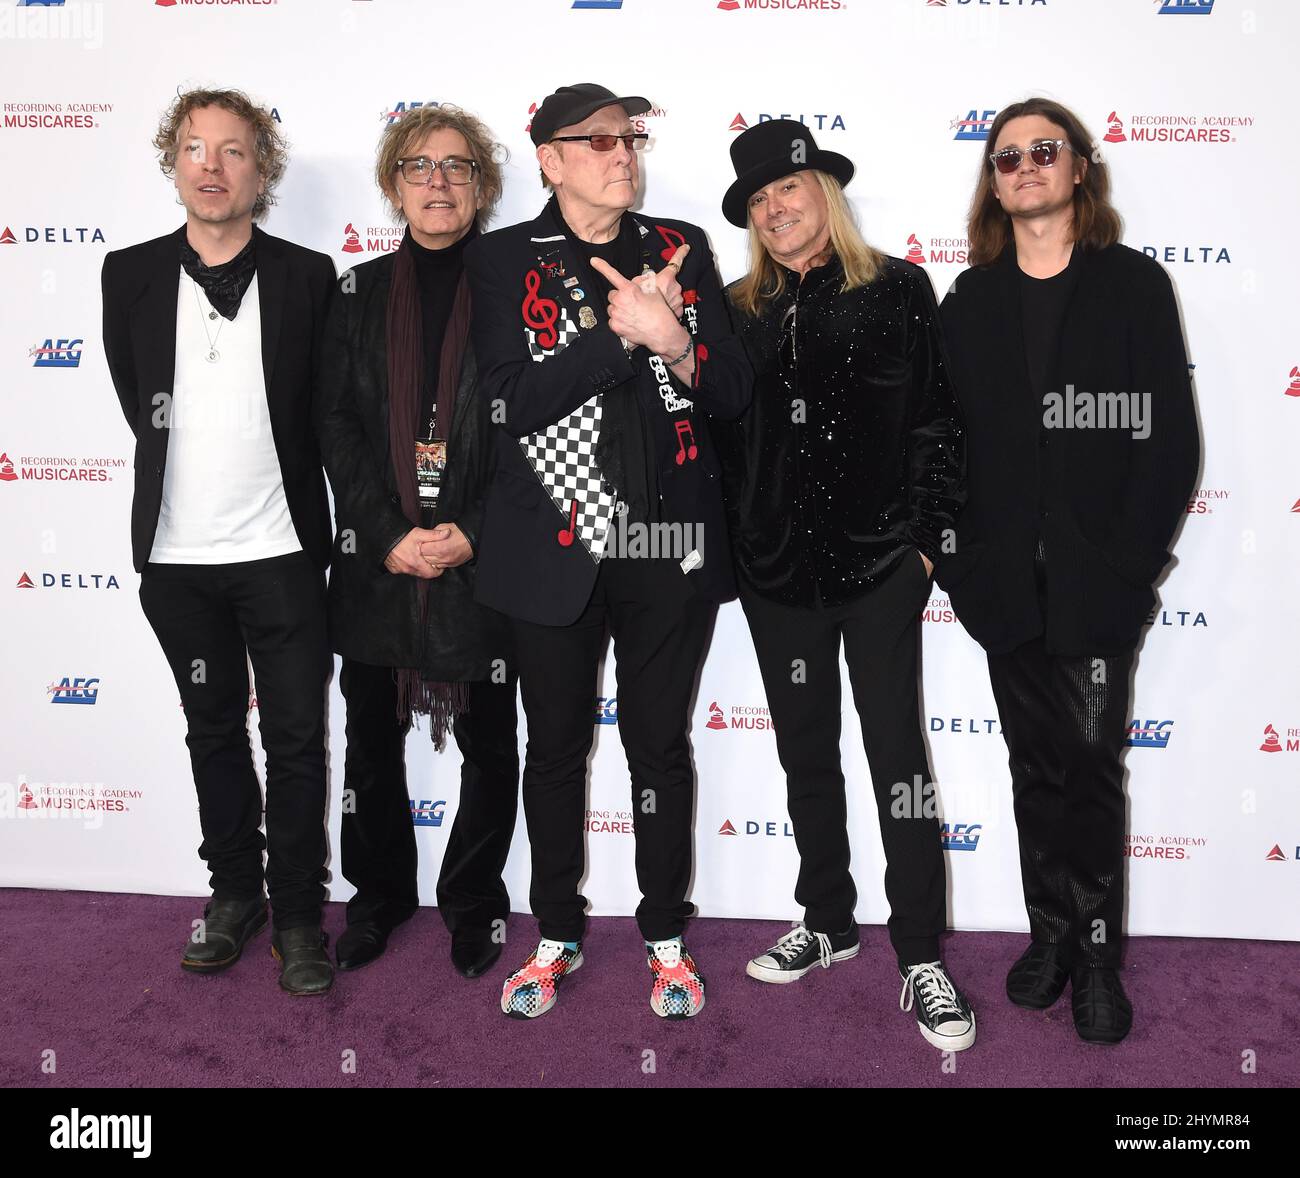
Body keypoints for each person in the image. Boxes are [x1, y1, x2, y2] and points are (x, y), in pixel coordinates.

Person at [465, 83, 752, 1020]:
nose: (621, 153)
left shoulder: (682, 248)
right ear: (547, 158)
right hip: (552, 545)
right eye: (596, 141)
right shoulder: (505, 258)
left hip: (664, 547)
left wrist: (674, 341)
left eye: (630, 137)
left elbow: (736, 395)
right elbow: (509, 400)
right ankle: (556, 931)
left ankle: (665, 932)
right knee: (551, 751)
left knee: (659, 749)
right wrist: (616, 340)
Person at [937, 97, 1200, 1044]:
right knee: (1032, 769)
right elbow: (945, 445)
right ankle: (1047, 936)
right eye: (1007, 157)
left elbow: (1166, 441)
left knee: (1091, 771)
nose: (1026, 167)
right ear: (993, 182)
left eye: (1044, 151)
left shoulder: (1131, 284)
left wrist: (1128, 567)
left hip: (1100, 587)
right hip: (1004, 588)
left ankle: (1097, 959)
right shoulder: (969, 301)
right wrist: (958, 565)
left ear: (1079, 169)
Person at [712, 120, 976, 1052]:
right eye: (758, 200)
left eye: (790, 187)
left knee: (899, 760)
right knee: (805, 756)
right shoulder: (738, 306)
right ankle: (828, 918)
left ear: (826, 192)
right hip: (776, 576)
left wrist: (926, 552)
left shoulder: (898, 288)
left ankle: (921, 954)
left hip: (878, 573)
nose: (776, 207)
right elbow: (721, 437)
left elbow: (940, 424)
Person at [100, 89, 336, 995]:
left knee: (296, 741)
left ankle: (304, 916)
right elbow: (139, 404)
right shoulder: (129, 274)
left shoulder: (310, 275)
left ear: (260, 172)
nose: (211, 165)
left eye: (233, 151)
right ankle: (234, 894)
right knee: (211, 732)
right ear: (174, 161)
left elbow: (321, 411)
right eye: (194, 148)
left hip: (281, 555)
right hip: (177, 560)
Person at [315, 104, 520, 980]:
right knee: (369, 742)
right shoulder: (353, 292)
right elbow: (335, 425)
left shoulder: (517, 290)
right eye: (419, 166)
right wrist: (389, 534)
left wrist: (471, 534)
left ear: (483, 183)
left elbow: (536, 430)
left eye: (457, 166)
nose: (438, 182)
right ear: (394, 185)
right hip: (376, 564)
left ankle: (473, 903)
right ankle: (380, 897)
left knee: (490, 745)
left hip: (488, 566)